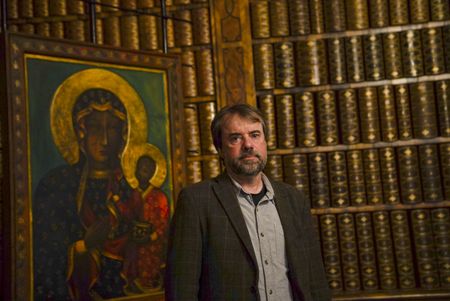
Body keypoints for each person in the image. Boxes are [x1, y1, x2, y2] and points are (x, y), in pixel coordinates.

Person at [165, 103, 331, 300]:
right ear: (219, 148)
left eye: (255, 135)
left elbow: (315, 280)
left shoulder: (294, 200)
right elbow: (181, 289)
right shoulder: (196, 202)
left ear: (265, 141)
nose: (248, 145)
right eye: (235, 138)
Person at [33, 89, 152, 300]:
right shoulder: (57, 185)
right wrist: (82, 247)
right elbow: (44, 256)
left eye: (113, 128)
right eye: (96, 128)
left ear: (123, 134)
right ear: (81, 131)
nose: (105, 140)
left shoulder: (129, 187)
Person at [134, 154, 170, 290]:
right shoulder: (133, 194)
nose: (143, 171)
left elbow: (163, 224)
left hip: (152, 243)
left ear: (152, 172)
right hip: (135, 240)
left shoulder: (159, 196)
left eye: (147, 168)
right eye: (141, 167)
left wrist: (150, 237)